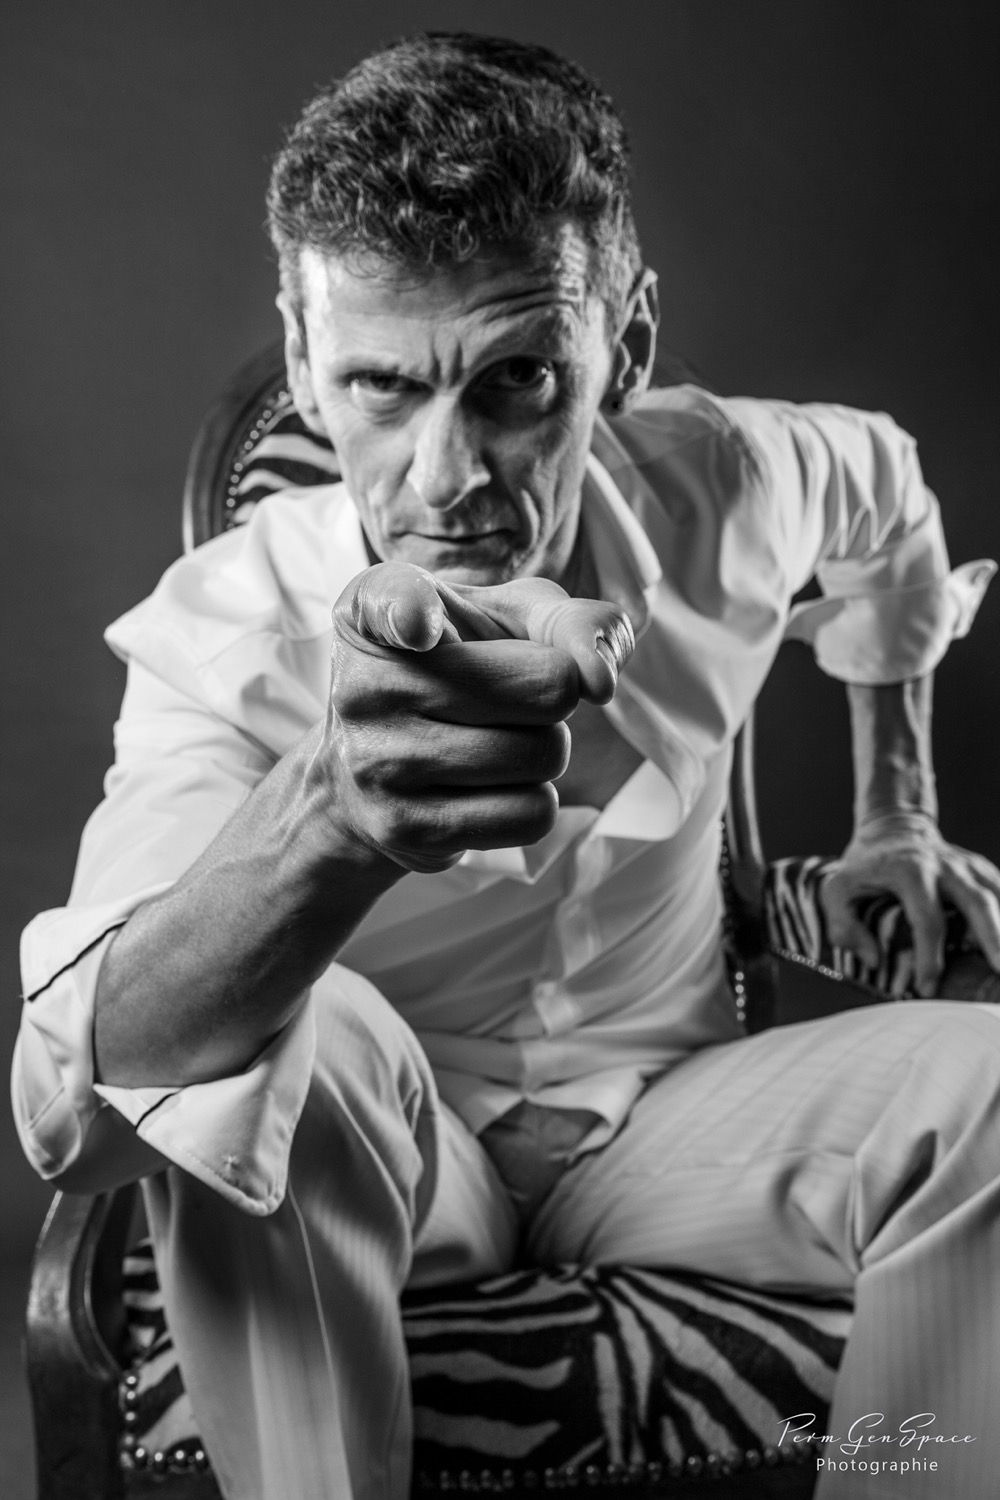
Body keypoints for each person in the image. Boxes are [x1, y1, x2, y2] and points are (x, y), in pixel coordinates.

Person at [13, 30, 1000, 1500]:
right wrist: (327, 823)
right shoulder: (225, 635)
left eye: (517, 379)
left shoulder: (737, 480)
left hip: (672, 1128)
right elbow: (85, 1102)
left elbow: (894, 504)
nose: (448, 476)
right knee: (297, 1028)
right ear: (305, 362)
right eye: (381, 388)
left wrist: (898, 812)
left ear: (627, 347)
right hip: (394, 1176)